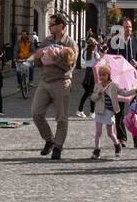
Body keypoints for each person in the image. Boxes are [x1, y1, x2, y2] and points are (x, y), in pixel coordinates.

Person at [31, 12, 78, 160]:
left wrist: (55, 57)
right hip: (45, 81)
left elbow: (69, 67)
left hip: (61, 82)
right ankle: (49, 140)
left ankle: (58, 146)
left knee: (61, 118)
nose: (49, 27)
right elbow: (38, 61)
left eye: (52, 24)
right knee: (36, 113)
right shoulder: (46, 40)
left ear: (61, 26)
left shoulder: (70, 44)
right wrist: (37, 58)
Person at [90, 62, 122, 158]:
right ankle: (97, 150)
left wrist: (135, 91)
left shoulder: (113, 85)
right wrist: (98, 94)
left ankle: (117, 145)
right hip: (99, 111)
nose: (101, 77)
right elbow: (92, 98)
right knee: (98, 132)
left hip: (109, 112)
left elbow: (123, 93)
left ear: (109, 75)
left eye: (104, 75)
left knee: (110, 133)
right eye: (100, 75)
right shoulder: (97, 86)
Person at [76, 36, 99, 118]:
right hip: (93, 73)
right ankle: (92, 112)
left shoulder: (85, 52)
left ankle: (80, 110)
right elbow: (100, 61)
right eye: (96, 44)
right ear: (94, 45)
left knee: (86, 93)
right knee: (93, 93)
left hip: (87, 72)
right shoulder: (95, 53)